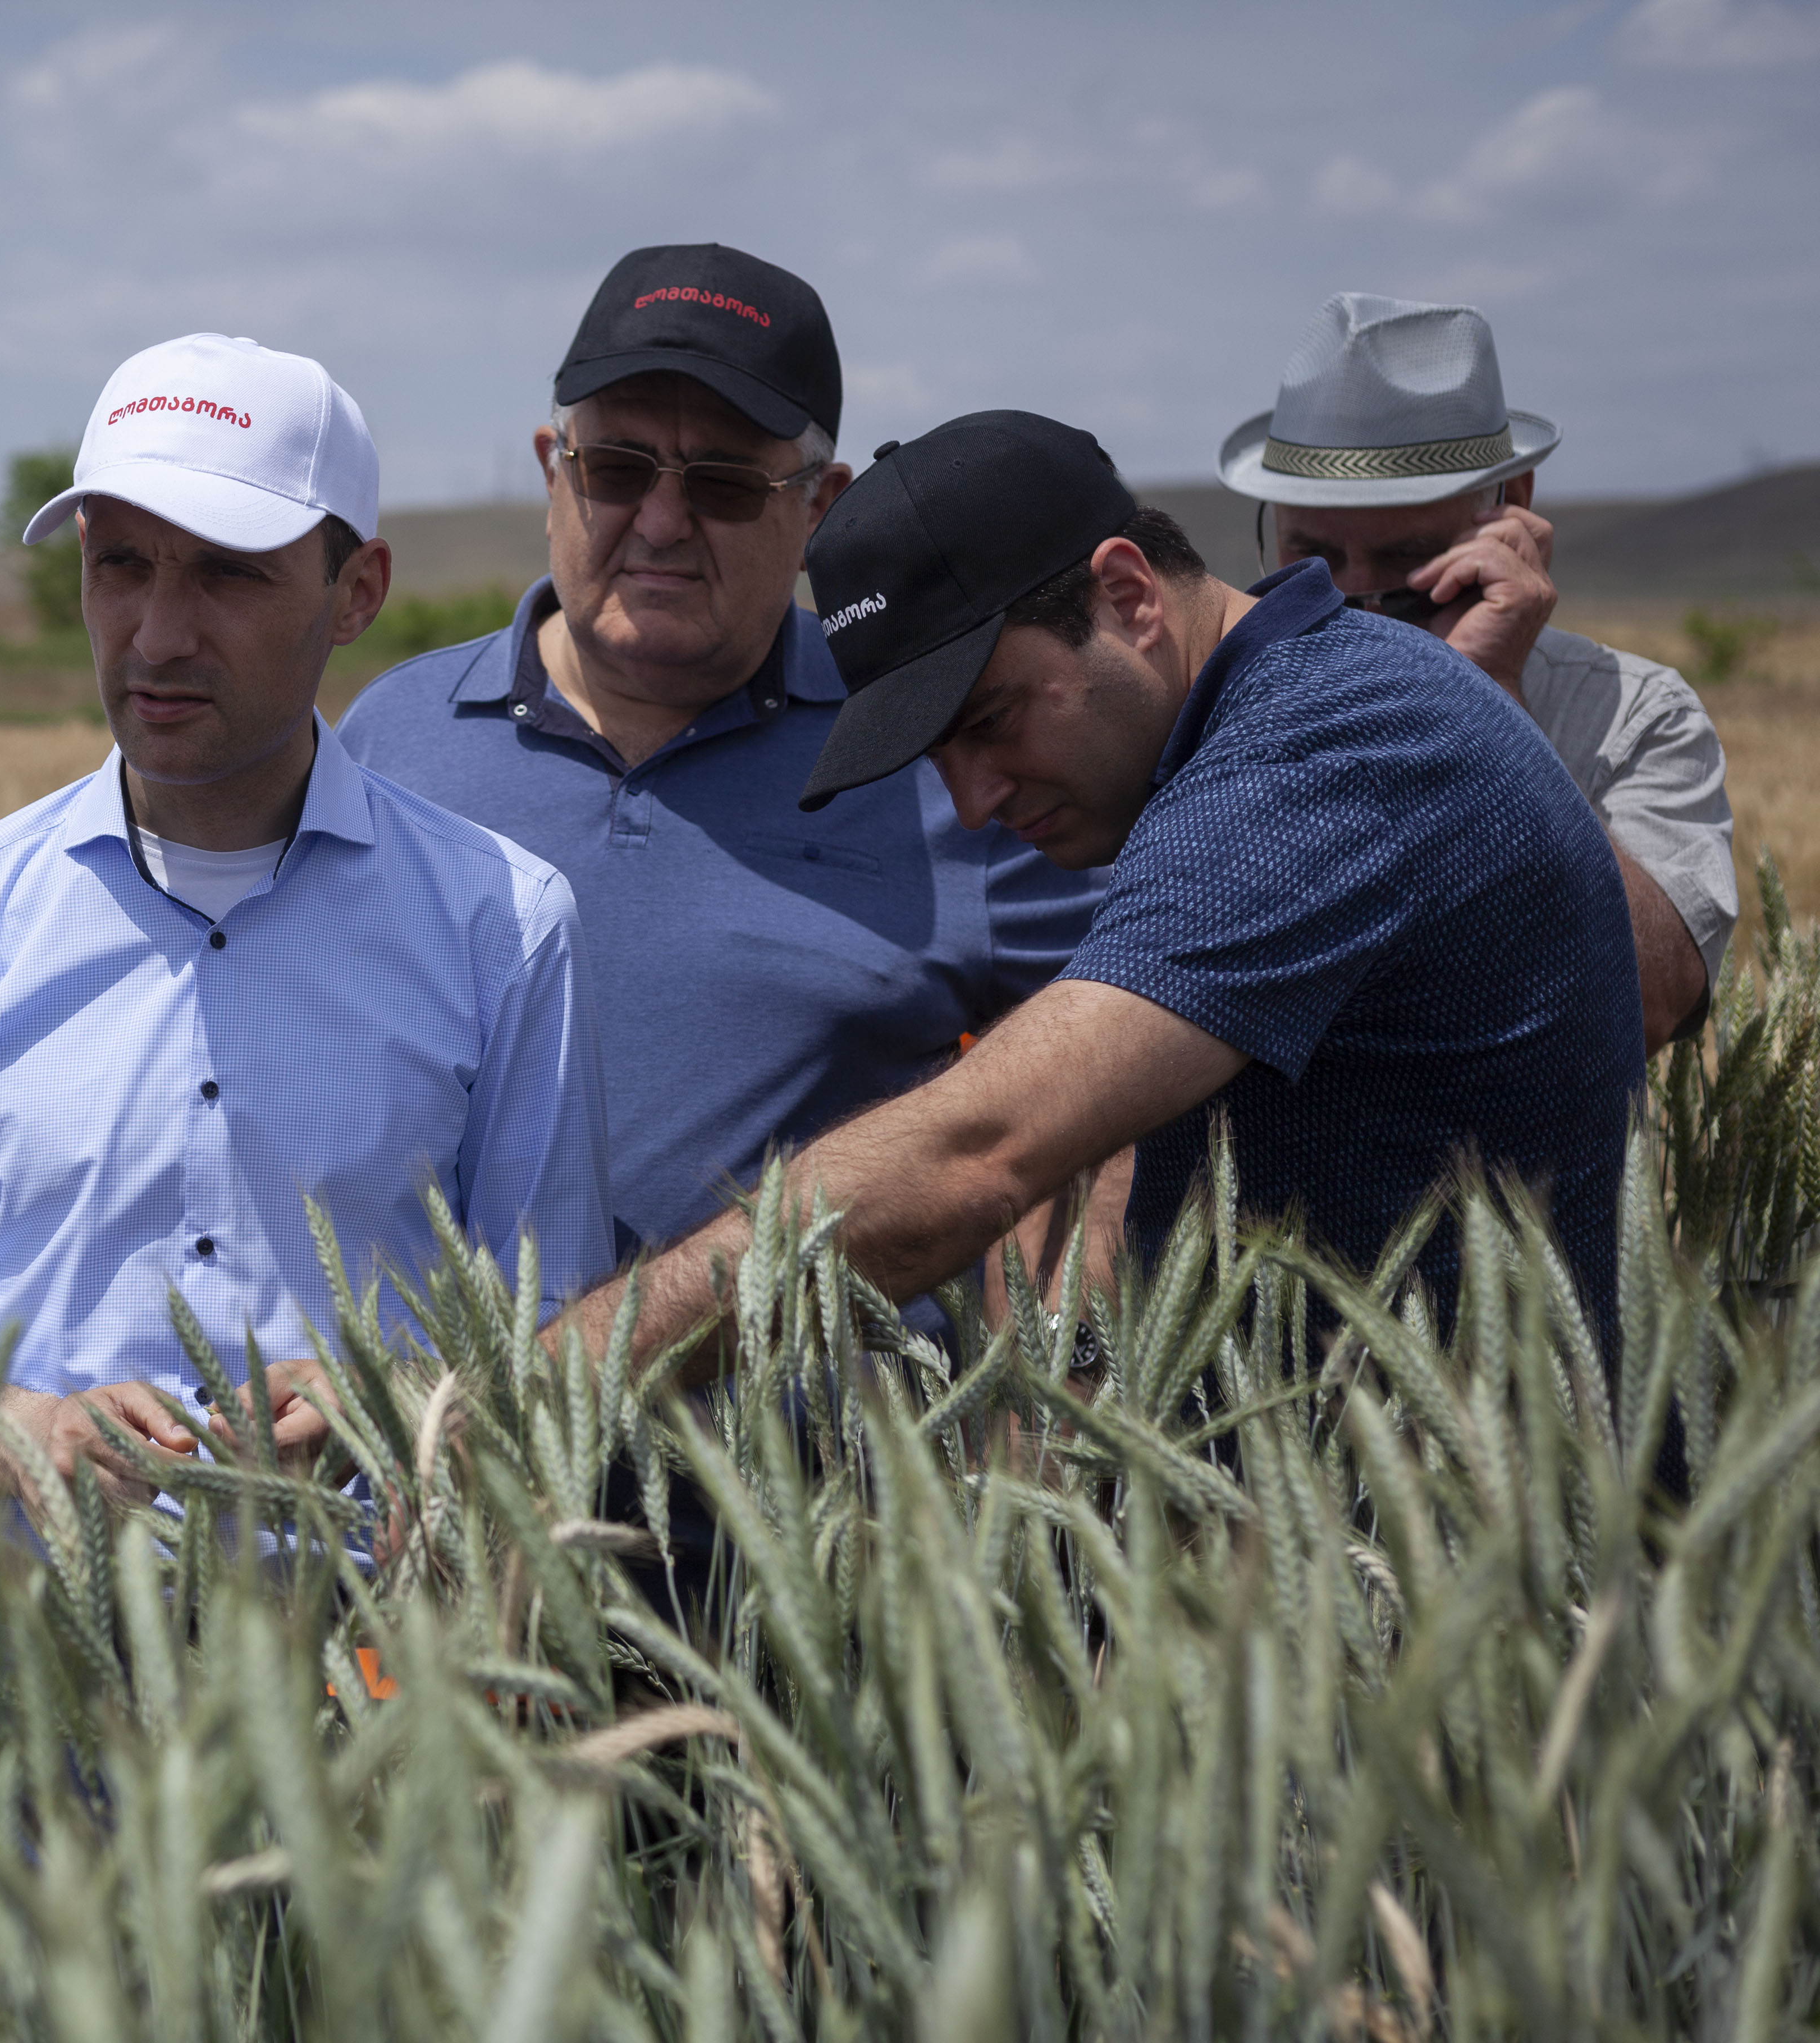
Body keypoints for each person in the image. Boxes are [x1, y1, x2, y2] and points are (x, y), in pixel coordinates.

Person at [567, 410, 1644, 1368]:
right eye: (936, 758)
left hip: (1454, 1516)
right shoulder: (1279, 721)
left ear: (1128, 596)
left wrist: (556, 1383)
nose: (975, 804)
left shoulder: (1329, 751)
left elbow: (975, 1155)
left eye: (992, 722)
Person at [0, 333, 612, 1522]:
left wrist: (411, 1401)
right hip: (26, 1628)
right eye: (120, 565)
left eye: (227, 574)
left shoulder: (504, 929)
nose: (159, 635)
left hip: (371, 1632)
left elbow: (558, 1333)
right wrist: (8, 1427)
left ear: (358, 592)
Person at [339, 244, 1105, 1285]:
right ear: (553, 469)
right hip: (438, 1389)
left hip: (818, 1399)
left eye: (726, 485)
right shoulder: (387, 741)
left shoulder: (939, 755)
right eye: (616, 470)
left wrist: (1063, 1364)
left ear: (821, 509)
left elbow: (1109, 1093)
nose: (661, 524)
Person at [1218, 293, 1735, 1048]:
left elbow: (1652, 1001)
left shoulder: (1633, 717)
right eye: (1314, 556)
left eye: (1405, 559)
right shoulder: (1216, 703)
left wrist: (1488, 701)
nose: (1354, 601)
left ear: (1511, 508)